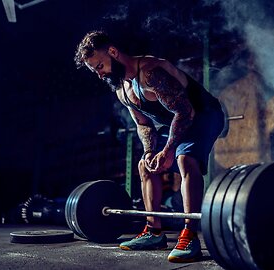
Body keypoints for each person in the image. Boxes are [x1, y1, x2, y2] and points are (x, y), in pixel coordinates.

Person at [74, 30, 225, 263]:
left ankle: (190, 234)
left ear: (113, 52)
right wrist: (150, 152)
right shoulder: (121, 90)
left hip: (205, 115)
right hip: (177, 121)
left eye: (100, 66)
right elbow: (144, 124)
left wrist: (168, 150)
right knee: (145, 165)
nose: (99, 74)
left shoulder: (150, 72)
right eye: (95, 70)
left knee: (186, 159)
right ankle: (154, 231)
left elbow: (185, 112)